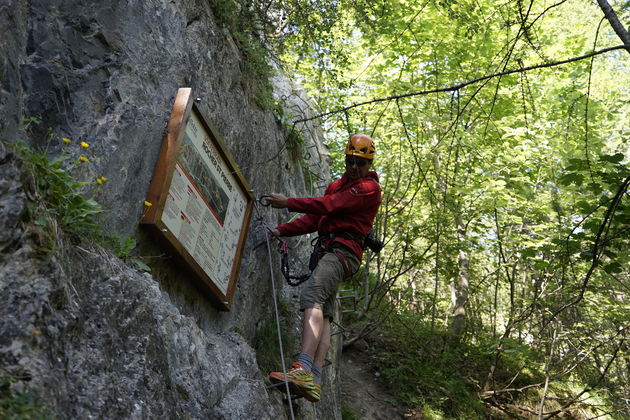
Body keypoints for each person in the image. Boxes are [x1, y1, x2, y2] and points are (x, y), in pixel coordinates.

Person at [265, 134, 382, 402]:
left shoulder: (368, 188)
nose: (354, 167)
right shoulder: (336, 186)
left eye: (361, 163)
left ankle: (303, 367)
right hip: (329, 250)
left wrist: (288, 202)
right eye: (351, 161)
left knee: (311, 296)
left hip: (343, 252)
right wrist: (281, 230)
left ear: (369, 164)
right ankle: (314, 378)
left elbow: (330, 206)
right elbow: (316, 218)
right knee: (326, 313)